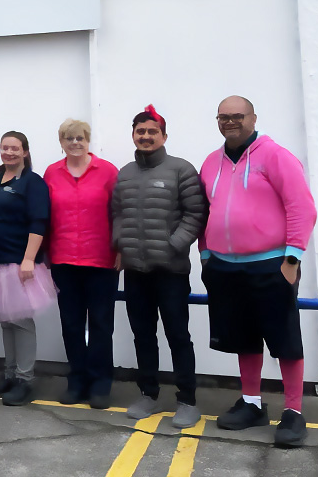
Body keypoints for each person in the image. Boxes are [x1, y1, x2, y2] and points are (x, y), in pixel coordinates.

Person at [200, 96, 317, 448]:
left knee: (284, 340)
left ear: (253, 118)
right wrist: (206, 255)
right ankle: (251, 403)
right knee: (242, 338)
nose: (230, 122)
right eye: (224, 116)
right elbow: (205, 211)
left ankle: (293, 412)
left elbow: (302, 207)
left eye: (238, 116)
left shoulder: (275, 156)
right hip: (225, 267)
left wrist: (292, 259)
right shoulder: (210, 163)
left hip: (271, 264)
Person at [112, 105, 207, 429]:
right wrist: (120, 245)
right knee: (143, 335)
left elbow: (196, 214)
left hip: (171, 271)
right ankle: (147, 393)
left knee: (178, 336)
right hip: (136, 271)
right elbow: (117, 214)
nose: (146, 136)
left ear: (164, 136)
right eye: (141, 131)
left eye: (153, 131)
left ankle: (188, 400)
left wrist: (172, 245)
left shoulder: (181, 170)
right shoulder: (124, 173)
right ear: (134, 136)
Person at [0, 132, 56, 407]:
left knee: (20, 321)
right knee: (6, 320)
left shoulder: (33, 183)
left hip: (18, 263)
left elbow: (38, 222)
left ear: (25, 152)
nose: (9, 152)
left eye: (15, 148)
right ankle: (9, 373)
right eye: (5, 148)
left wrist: (29, 259)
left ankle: (25, 378)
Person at [43, 118, 119, 409]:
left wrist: (120, 248)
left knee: (101, 324)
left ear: (89, 141)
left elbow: (119, 212)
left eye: (80, 138)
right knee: (71, 324)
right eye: (69, 138)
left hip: (101, 260)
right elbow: (45, 215)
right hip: (63, 260)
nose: (75, 143)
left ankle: (100, 383)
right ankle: (77, 380)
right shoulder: (51, 173)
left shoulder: (108, 171)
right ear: (61, 142)